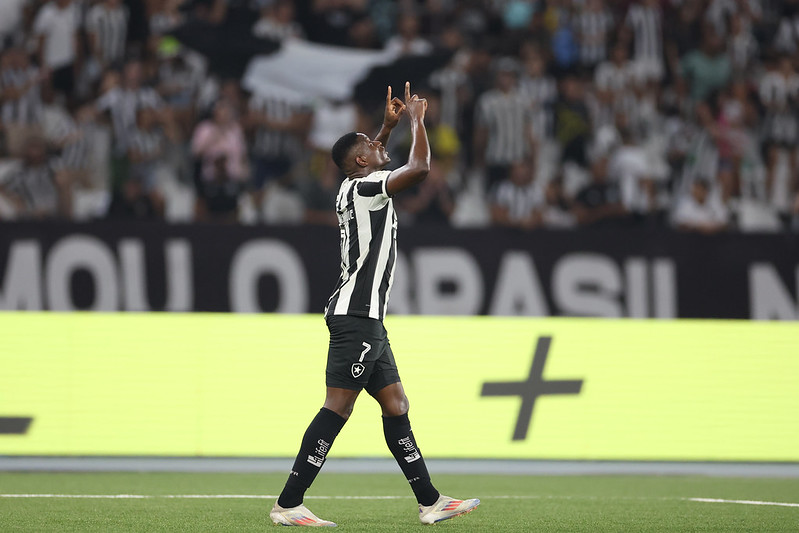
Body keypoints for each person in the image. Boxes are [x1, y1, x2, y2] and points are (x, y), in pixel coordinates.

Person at [269, 82, 480, 527]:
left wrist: (385, 128)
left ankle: (430, 501)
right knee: (337, 406)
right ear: (362, 163)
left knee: (396, 405)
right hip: (357, 318)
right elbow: (420, 168)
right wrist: (418, 120)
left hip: (368, 321)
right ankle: (288, 503)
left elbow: (369, 160)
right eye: (370, 144)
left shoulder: (351, 188)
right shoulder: (368, 189)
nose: (377, 144)